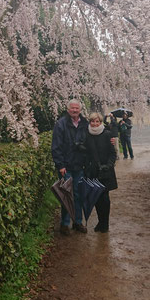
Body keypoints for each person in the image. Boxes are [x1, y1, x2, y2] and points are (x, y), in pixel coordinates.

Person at [51, 99, 89, 235]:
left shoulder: (85, 124)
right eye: (72, 108)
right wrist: (60, 165)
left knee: (79, 194)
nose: (74, 110)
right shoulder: (61, 124)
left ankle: (77, 222)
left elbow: (94, 138)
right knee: (67, 194)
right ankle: (65, 224)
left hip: (80, 165)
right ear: (68, 110)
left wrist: (110, 139)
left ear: (80, 110)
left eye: (77, 108)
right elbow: (56, 147)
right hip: (66, 166)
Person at [85, 112, 117, 232]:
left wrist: (108, 165)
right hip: (93, 171)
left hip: (105, 171)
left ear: (100, 122)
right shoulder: (87, 135)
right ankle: (100, 222)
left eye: (97, 121)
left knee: (105, 198)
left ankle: (105, 223)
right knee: (96, 198)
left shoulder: (107, 134)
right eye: (92, 121)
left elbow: (113, 153)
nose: (94, 124)